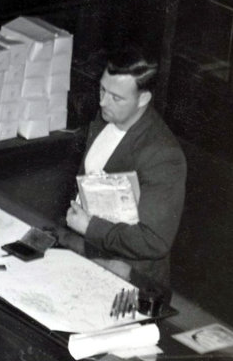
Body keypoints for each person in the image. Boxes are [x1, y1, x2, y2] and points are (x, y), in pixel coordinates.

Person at [66, 49, 185, 290]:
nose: (102, 102)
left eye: (116, 98)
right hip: (89, 255)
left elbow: (154, 240)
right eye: (102, 89)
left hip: (130, 279)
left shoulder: (163, 155)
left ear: (143, 99)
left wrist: (90, 227)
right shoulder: (104, 119)